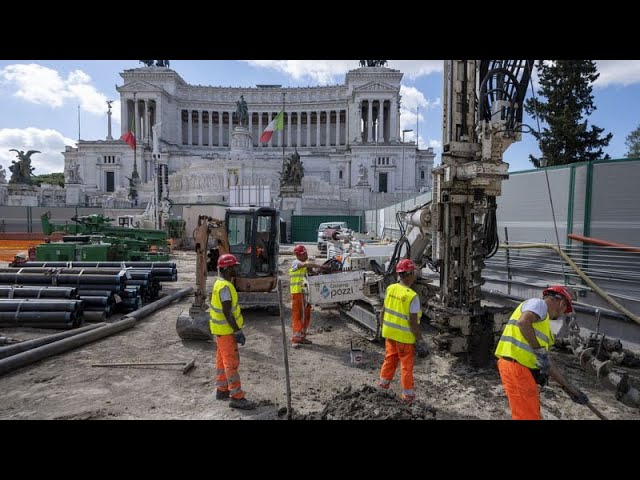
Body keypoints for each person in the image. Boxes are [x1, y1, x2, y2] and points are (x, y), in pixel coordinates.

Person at [495, 285, 589, 420]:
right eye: (564, 310)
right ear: (561, 303)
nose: (562, 314)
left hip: (521, 369)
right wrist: (539, 350)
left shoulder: (543, 325)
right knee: (528, 417)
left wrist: (569, 388)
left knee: (530, 414)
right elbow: (523, 323)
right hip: (516, 367)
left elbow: (546, 362)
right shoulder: (539, 304)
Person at [378, 259, 429, 404]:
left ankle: (383, 386)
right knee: (406, 367)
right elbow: (413, 322)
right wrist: (420, 340)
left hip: (389, 334)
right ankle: (408, 396)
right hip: (404, 338)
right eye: (414, 273)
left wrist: (383, 329)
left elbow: (383, 311)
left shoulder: (391, 288)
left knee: (389, 359)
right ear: (410, 274)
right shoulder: (411, 296)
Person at [209, 253, 256, 410]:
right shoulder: (225, 287)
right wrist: (237, 331)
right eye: (234, 266)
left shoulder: (219, 283)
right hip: (227, 331)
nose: (236, 268)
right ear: (227, 268)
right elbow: (227, 312)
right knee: (231, 363)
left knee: (222, 361)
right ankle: (236, 397)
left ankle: (222, 390)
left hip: (220, 331)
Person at [289, 245, 323, 348]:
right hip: (297, 294)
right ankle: (295, 339)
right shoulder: (296, 263)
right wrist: (317, 265)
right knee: (298, 316)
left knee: (306, 316)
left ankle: (302, 337)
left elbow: (309, 272)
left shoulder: (304, 265)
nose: (307, 255)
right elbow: (304, 265)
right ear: (298, 255)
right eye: (304, 253)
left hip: (306, 294)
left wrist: (316, 271)